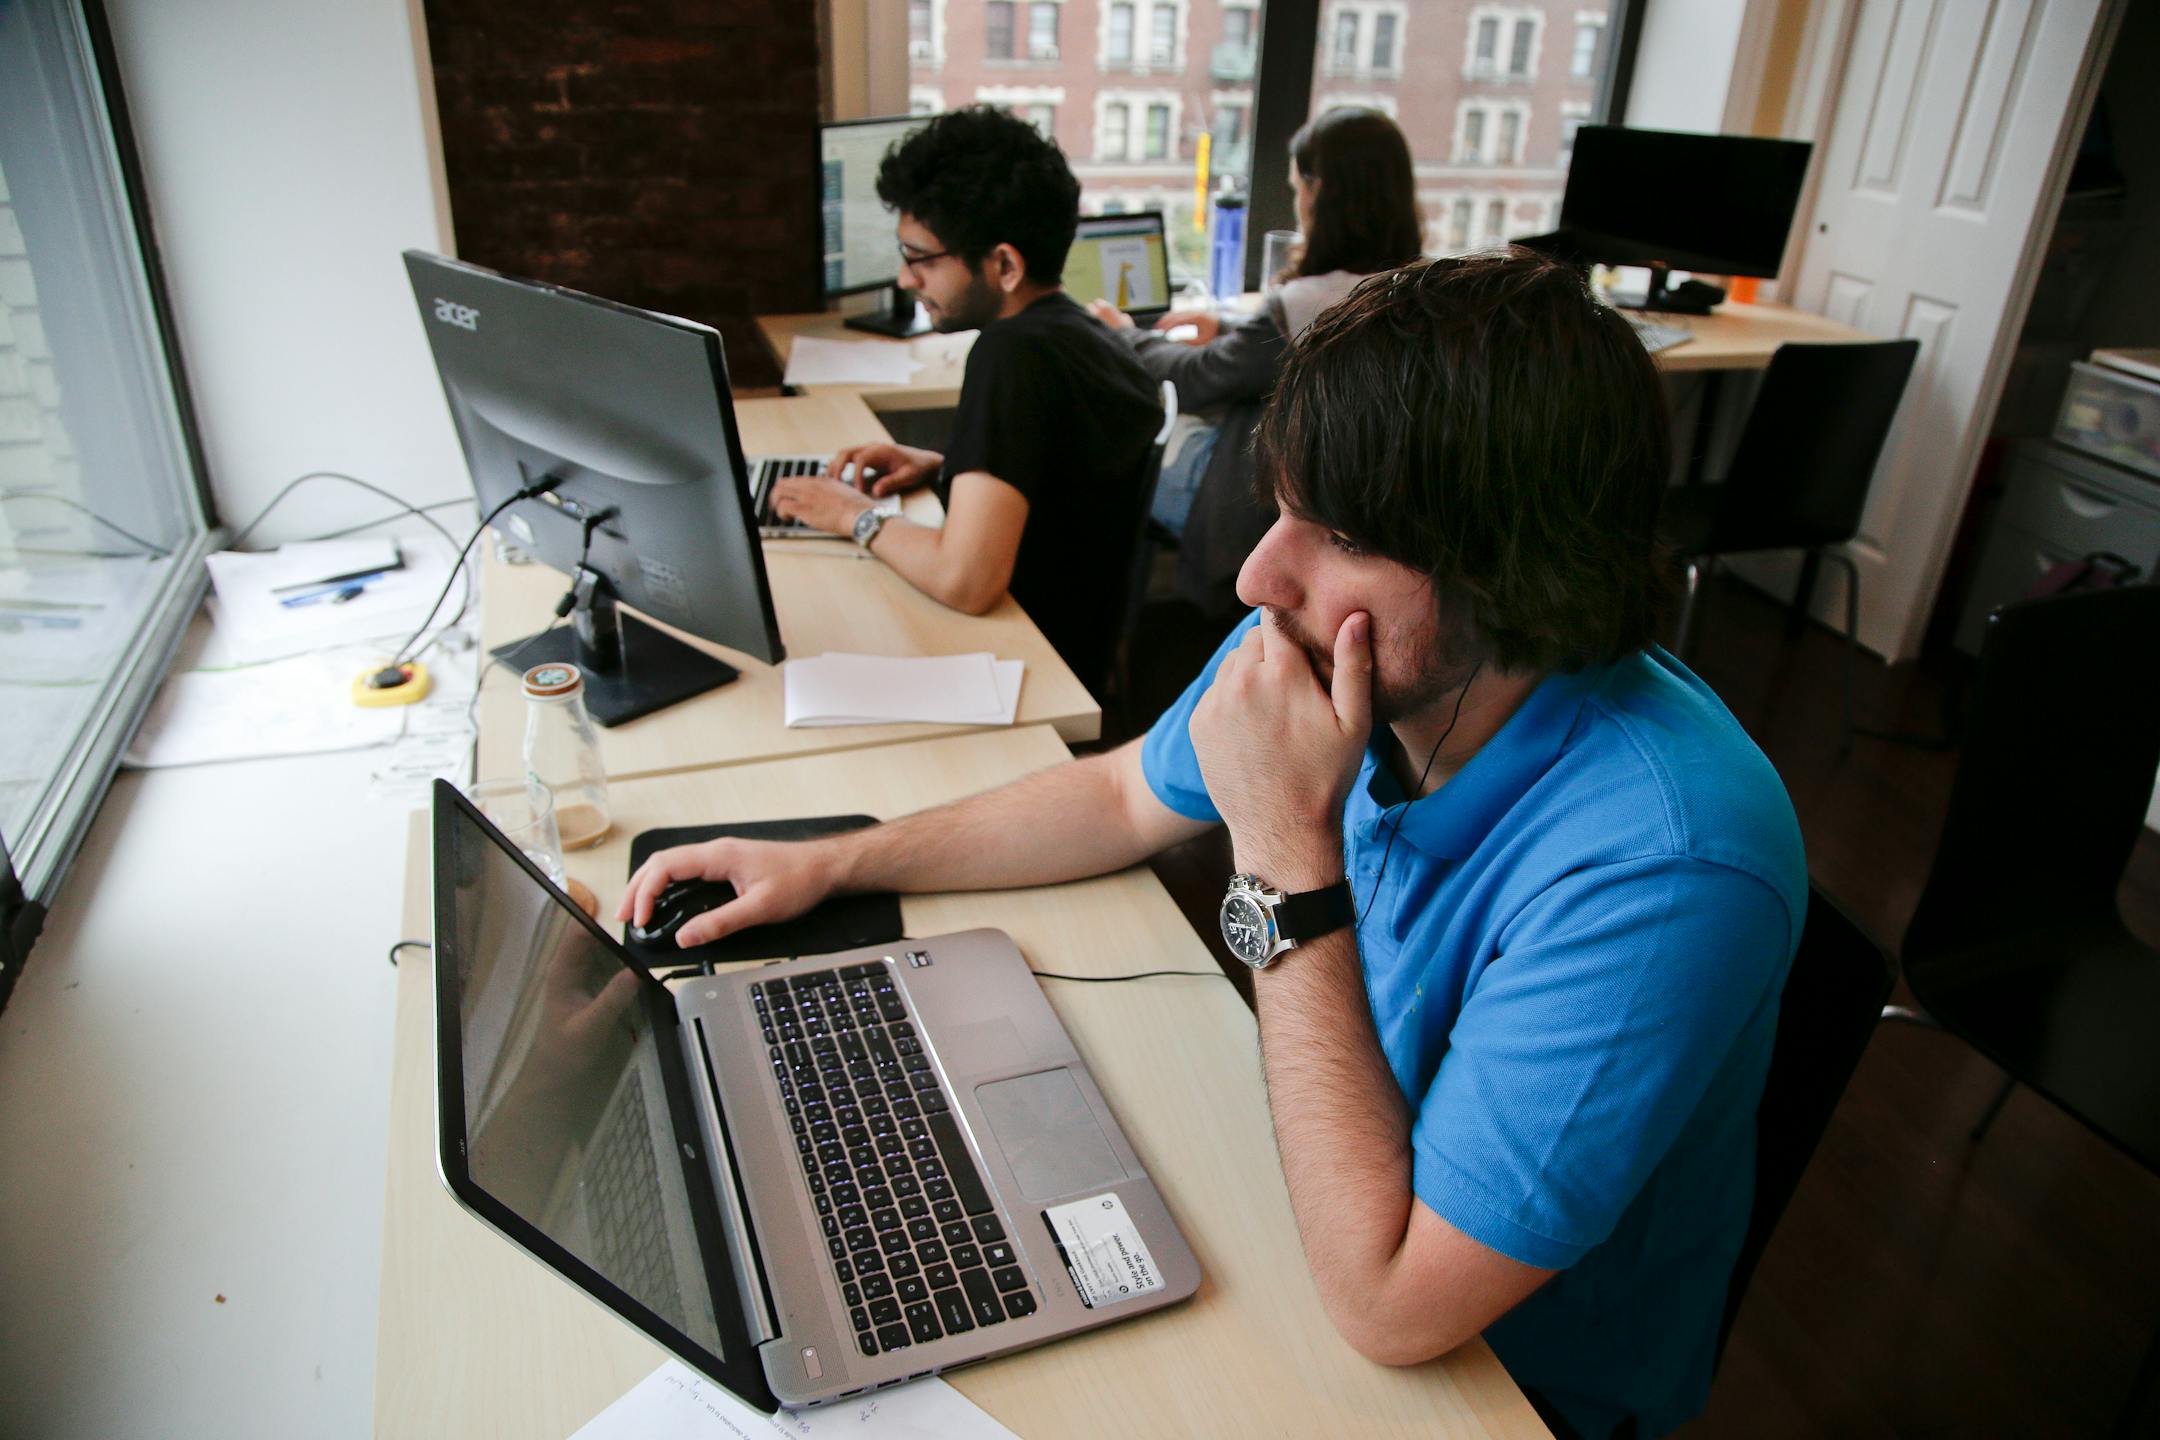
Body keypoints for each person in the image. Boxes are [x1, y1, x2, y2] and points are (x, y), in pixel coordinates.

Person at [624, 251, 1806, 1439]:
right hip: (1321, 1183)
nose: (1257, 577)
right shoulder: (1341, 644)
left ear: (1515, 568)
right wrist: (837, 860)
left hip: (1501, 1384)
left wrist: (1287, 850)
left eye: (1341, 533)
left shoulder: (1667, 864)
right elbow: (1121, 796)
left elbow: (1393, 1304)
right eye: (1282, 506)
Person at [770, 107, 1164, 695]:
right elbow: (1067, 488)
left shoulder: (1013, 355)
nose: (906, 280)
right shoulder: (1085, 335)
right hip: (1070, 654)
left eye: (921, 259)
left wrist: (851, 513)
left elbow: (966, 581)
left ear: (1004, 264)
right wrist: (948, 466)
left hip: (1023, 670)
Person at [1085, 106, 1422, 624]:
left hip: (1265, 505)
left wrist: (1121, 333)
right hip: (1357, 502)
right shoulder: (1416, 291)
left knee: (1123, 457)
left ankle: (1128, 637)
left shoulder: (1302, 305)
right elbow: (1266, 348)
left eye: (1296, 189)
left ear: (1319, 192)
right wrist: (1224, 323)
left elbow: (1197, 378)